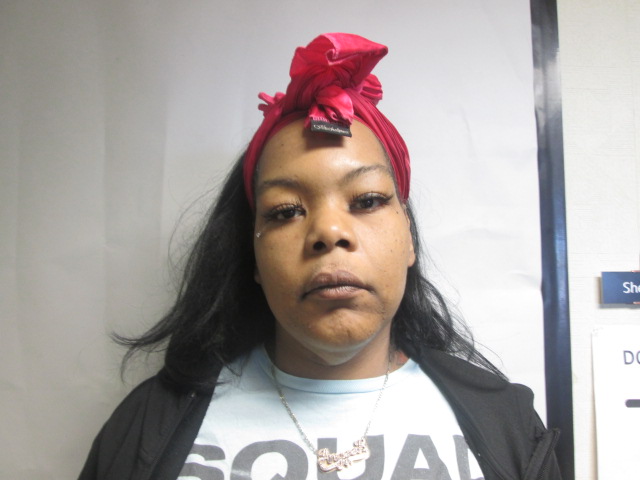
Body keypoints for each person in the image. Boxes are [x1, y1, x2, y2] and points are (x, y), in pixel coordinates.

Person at [78, 33, 562, 480]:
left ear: (410, 239)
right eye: (286, 211)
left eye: (367, 200)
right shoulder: (145, 428)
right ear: (253, 257)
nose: (329, 232)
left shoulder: (508, 425)